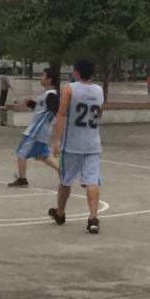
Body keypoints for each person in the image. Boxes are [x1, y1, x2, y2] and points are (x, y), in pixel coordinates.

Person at [49, 60, 104, 234]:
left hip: (72, 144)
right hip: (93, 143)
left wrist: (56, 140)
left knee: (65, 180)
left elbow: (61, 114)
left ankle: (60, 213)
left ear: (77, 72)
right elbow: (99, 113)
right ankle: (93, 218)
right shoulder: (99, 90)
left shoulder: (69, 89)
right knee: (92, 181)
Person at [8, 67, 60, 187]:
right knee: (43, 155)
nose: (40, 78)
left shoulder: (51, 95)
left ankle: (22, 179)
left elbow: (57, 112)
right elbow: (43, 109)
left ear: (49, 79)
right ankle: (63, 172)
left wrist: (58, 134)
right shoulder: (47, 94)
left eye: (43, 76)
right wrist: (32, 104)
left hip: (36, 131)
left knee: (21, 152)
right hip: (38, 130)